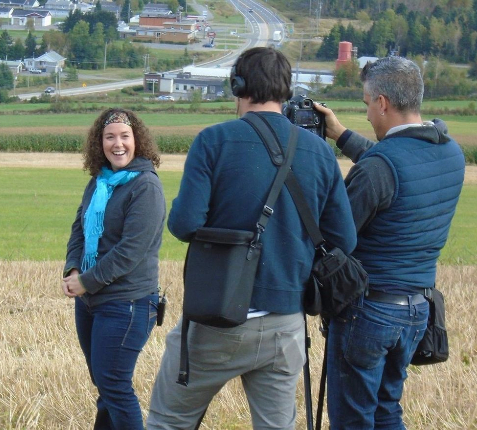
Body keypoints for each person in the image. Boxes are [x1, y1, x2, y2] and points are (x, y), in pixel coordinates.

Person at [147, 47, 357, 429]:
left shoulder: (213, 141)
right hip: (286, 324)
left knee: (168, 421)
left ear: (237, 85)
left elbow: (183, 224)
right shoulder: (319, 151)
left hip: (216, 322)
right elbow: (344, 238)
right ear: (286, 91)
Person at [314, 56, 465, 429]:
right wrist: (341, 134)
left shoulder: (382, 167)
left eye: (367, 103)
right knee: (386, 411)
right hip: (417, 311)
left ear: (382, 102)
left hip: (369, 311)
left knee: (353, 419)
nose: (366, 114)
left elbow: (335, 233)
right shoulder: (451, 153)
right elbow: (397, 168)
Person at [63, 108, 166, 429]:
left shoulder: (145, 187)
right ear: (100, 142)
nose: (117, 144)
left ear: (138, 141)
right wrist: (72, 269)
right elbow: (79, 228)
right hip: (93, 302)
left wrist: (87, 281)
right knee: (106, 385)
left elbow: (131, 251)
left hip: (129, 303)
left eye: (125, 136)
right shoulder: (99, 182)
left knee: (115, 386)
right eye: (110, 137)